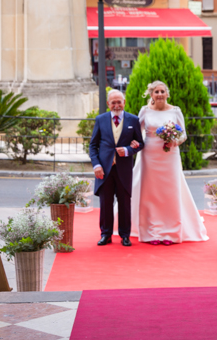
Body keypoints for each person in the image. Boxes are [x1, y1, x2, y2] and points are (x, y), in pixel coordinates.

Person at [129, 81, 208, 245]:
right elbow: (138, 132)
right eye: (156, 92)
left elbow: (183, 134)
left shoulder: (175, 111)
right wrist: (131, 144)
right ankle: (152, 233)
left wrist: (174, 141)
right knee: (150, 193)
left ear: (167, 94)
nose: (159, 94)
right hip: (149, 155)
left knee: (169, 192)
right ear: (151, 94)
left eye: (162, 91)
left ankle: (170, 232)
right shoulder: (145, 111)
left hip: (170, 155)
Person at [88, 90, 145, 246]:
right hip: (104, 169)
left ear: (124, 102)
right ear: (108, 104)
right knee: (105, 203)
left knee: (124, 202)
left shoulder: (133, 120)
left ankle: (125, 235)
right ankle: (105, 234)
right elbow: (93, 145)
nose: (116, 105)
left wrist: (128, 150)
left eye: (119, 102)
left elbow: (140, 143)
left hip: (124, 168)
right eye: (113, 102)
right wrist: (96, 165)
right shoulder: (100, 120)